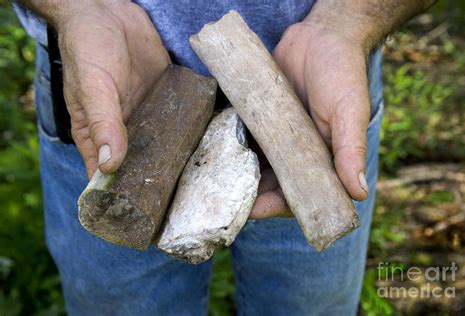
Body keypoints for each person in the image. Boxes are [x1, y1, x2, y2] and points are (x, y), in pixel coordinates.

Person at [13, 0, 434, 314]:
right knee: (118, 297)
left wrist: (350, 20)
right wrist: (79, 8)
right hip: (119, 85)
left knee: (314, 304)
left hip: (315, 84)